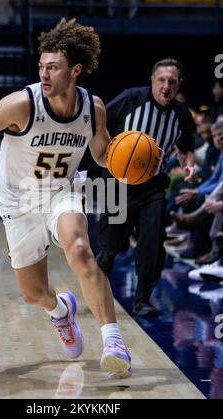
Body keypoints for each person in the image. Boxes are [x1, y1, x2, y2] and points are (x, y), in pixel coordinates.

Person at [0, 18, 132, 378]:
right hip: (19, 198)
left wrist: (128, 166)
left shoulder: (93, 109)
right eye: (41, 67)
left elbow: (104, 155)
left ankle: (113, 341)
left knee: (79, 249)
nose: (44, 74)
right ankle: (60, 310)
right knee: (33, 294)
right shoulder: (21, 104)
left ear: (75, 70)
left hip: (63, 190)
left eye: (53, 67)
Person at [97, 58, 196, 317]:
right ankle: (96, 287)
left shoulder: (183, 115)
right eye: (161, 80)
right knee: (110, 246)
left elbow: (187, 148)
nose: (166, 86)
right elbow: (98, 122)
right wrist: (107, 155)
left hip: (153, 186)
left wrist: (189, 166)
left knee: (152, 241)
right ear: (152, 80)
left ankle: (142, 299)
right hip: (116, 183)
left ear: (179, 85)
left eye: (172, 82)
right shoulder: (130, 99)